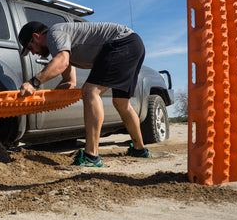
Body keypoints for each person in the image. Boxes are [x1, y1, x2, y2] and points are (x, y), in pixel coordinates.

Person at [18, 21, 151, 167]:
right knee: (121, 102)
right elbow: (69, 81)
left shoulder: (54, 33)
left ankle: (91, 156)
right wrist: (48, 100)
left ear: (36, 36)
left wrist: (33, 83)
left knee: (90, 91)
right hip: (133, 44)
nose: (33, 52)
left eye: (30, 48)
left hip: (121, 42)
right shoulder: (62, 44)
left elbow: (62, 62)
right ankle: (140, 149)